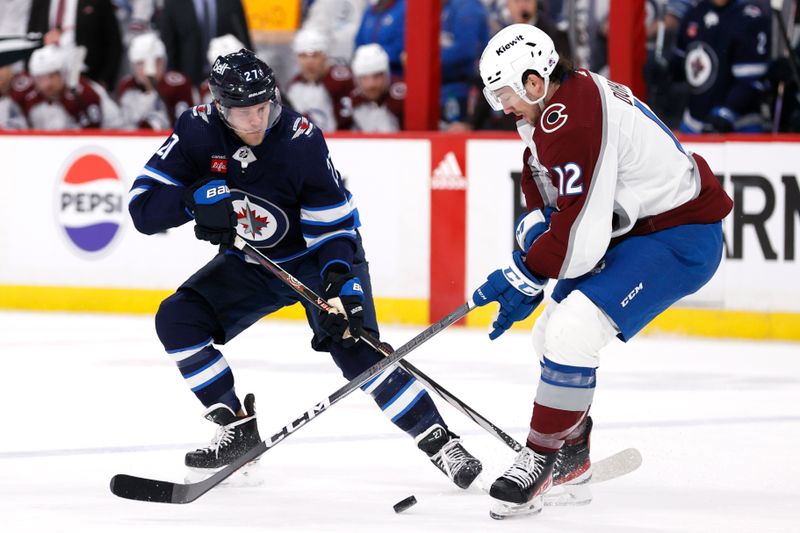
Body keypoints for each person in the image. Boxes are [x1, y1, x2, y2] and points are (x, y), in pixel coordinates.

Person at [127, 49, 482, 489]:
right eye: (244, 112)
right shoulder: (195, 131)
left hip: (317, 262)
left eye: (264, 106)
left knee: (357, 351)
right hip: (253, 263)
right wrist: (190, 201)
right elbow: (142, 211)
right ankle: (236, 428)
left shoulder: (301, 140)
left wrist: (340, 282)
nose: (257, 120)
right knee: (177, 321)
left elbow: (334, 229)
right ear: (220, 107)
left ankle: (440, 441)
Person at [473, 24, 732, 519]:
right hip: (638, 231)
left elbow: (580, 242)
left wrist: (525, 271)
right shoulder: (552, 107)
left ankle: (541, 457)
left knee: (571, 333)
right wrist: (531, 254)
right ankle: (571, 460)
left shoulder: (570, 117)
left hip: (679, 237)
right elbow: (551, 198)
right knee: (549, 336)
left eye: (503, 93)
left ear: (532, 81)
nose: (501, 107)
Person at [670, 0, 771, 133]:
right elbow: (679, 68)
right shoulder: (694, 14)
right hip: (694, 126)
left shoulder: (750, 19)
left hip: (740, 130)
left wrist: (725, 113)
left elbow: (750, 83)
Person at [117, 32, 195, 130]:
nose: (147, 69)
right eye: (140, 63)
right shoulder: (127, 85)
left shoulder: (176, 85)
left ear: (163, 62)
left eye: (157, 61)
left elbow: (185, 126)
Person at [285, 28, 355, 132]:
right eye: (303, 56)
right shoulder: (294, 85)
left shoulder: (342, 81)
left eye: (315, 55)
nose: (309, 62)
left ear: (325, 56)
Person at [345, 44, 405, 132]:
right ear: (356, 79)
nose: (371, 84)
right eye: (364, 78)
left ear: (386, 75)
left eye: (377, 76)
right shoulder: (353, 100)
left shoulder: (403, 98)